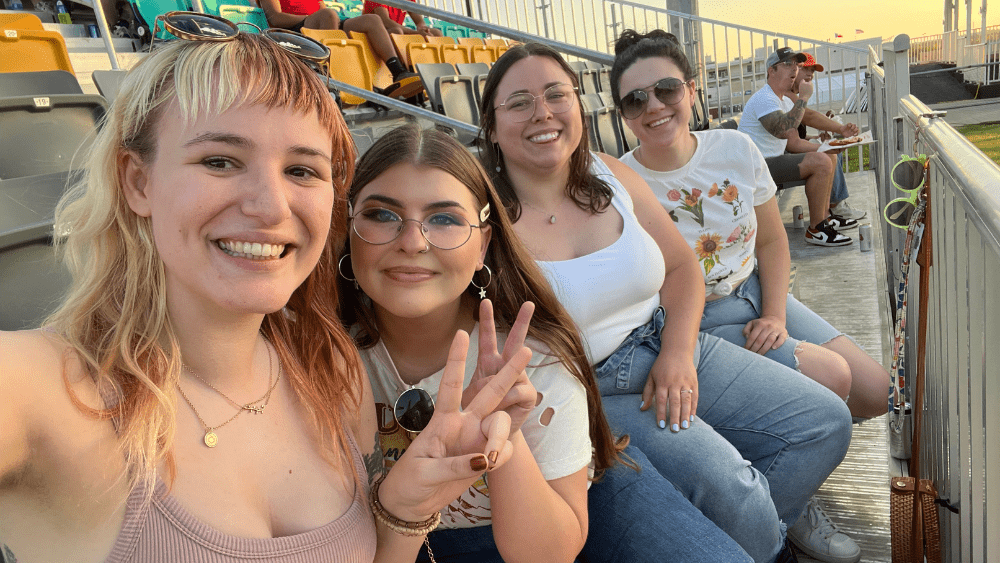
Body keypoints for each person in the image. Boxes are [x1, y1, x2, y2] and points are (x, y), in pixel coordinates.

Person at [0, 31, 529, 562]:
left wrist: (406, 511)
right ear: (138, 181)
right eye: (221, 161)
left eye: (301, 170)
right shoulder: (43, 389)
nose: (272, 207)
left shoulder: (331, 371)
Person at [478, 41, 853, 563]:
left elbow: (681, 269)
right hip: (588, 388)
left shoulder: (610, 174)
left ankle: (756, 535)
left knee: (825, 422)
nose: (542, 113)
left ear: (578, 107)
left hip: (664, 342)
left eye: (555, 94)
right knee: (735, 491)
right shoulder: (480, 215)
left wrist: (677, 354)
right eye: (518, 102)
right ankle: (761, 544)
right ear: (492, 126)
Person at [339, 124, 753, 563]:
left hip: (563, 513)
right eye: (382, 214)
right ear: (347, 227)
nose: (412, 242)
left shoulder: (533, 356)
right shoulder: (315, 355)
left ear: (484, 245)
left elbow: (549, 553)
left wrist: (498, 443)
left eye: (445, 218)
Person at [611, 29, 893, 563]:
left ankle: (776, 481)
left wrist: (773, 312)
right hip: (692, 321)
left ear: (691, 89)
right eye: (635, 99)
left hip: (757, 291)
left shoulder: (734, 149)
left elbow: (770, 241)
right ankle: (778, 516)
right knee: (831, 378)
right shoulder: (623, 183)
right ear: (622, 111)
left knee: (874, 390)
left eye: (667, 89)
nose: (654, 107)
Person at [738, 47, 857, 247]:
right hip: (757, 168)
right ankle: (816, 230)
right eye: (787, 64)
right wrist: (803, 98)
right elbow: (784, 129)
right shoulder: (764, 98)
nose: (794, 69)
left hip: (770, 163)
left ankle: (824, 218)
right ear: (771, 71)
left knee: (828, 157)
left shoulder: (782, 100)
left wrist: (828, 146)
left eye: (796, 64)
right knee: (820, 161)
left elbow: (793, 142)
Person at [259, 0, 424, 98]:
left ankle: (397, 71)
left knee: (371, 20)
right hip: (292, 30)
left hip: (320, 23)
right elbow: (275, 17)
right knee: (328, 15)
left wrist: (327, 18)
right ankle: (337, 80)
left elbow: (323, 10)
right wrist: (314, 18)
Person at [791, 53, 866, 221]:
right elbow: (808, 117)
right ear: (794, 69)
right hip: (780, 155)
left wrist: (815, 136)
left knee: (829, 145)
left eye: (812, 71)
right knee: (829, 151)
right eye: (806, 69)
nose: (810, 74)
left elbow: (793, 133)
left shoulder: (794, 96)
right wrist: (839, 129)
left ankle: (832, 208)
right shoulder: (791, 96)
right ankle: (834, 207)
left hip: (787, 148)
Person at [362, 0, 443, 37]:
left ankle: (441, 66)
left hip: (394, 32)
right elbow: (386, 22)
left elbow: (419, 22)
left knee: (436, 33)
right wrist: (416, 33)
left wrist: (423, 29)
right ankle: (403, 66)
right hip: (373, 35)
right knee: (396, 31)